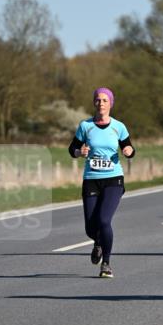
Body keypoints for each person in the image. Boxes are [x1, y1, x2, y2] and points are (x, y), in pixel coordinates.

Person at [68, 87, 135, 278]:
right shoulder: (85, 126)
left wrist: (128, 151)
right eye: (98, 100)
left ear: (110, 103)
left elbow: (129, 146)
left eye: (105, 100)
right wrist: (79, 153)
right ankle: (98, 241)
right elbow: (72, 149)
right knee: (91, 227)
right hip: (91, 179)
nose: (101, 103)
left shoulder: (118, 126)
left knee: (104, 220)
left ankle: (106, 263)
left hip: (113, 179)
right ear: (94, 103)